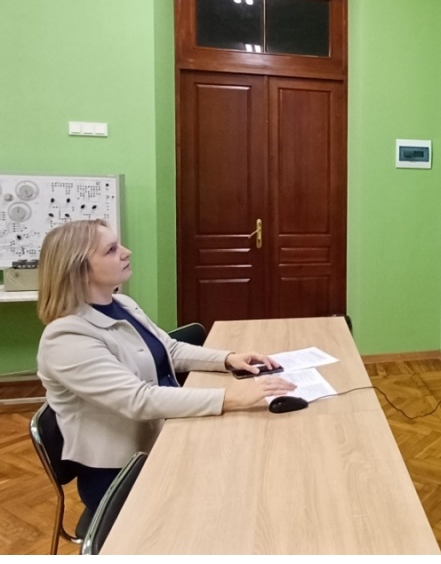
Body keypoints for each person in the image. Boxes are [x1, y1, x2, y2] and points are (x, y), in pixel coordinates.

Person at [36, 219, 296, 512]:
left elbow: (169, 349)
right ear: (80, 270)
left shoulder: (122, 304)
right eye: (111, 250)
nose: (126, 252)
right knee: (238, 487)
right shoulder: (67, 338)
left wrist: (227, 359)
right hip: (123, 473)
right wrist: (231, 398)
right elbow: (137, 400)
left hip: (164, 434)